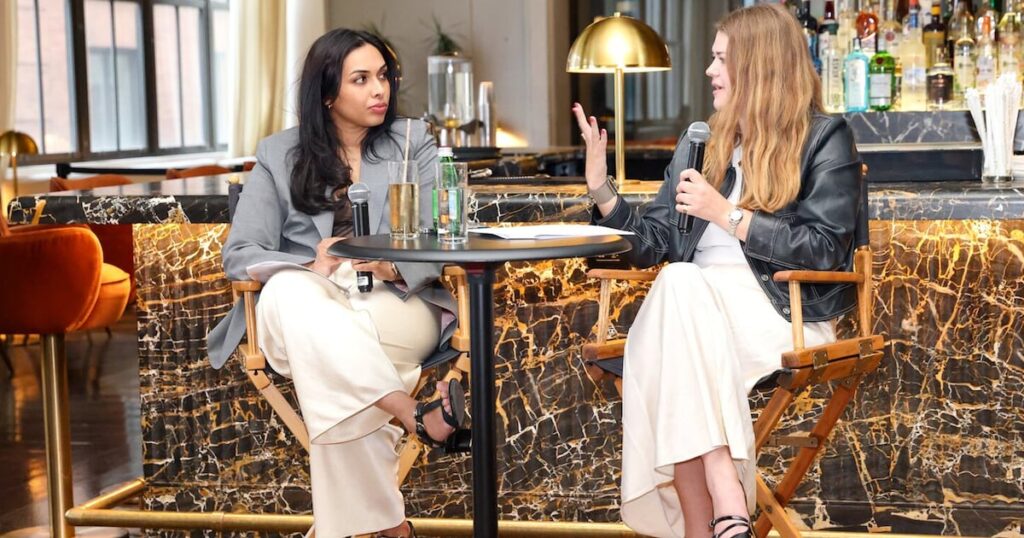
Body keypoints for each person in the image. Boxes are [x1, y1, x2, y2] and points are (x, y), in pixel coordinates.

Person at [572, 5, 863, 538]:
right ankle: (727, 501)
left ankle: (702, 522)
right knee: (680, 290)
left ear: (759, 65)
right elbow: (654, 242)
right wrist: (601, 189)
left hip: (781, 313)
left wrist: (726, 214)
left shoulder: (824, 138)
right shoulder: (702, 142)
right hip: (695, 317)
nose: (709, 70)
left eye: (721, 59)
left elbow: (824, 248)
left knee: (673, 320)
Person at [206, 29, 461, 538]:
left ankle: (389, 530)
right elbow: (240, 254)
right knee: (289, 290)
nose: (379, 90)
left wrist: (392, 266)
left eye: (383, 76)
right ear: (327, 93)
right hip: (305, 306)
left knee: (330, 370)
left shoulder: (413, 141)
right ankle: (409, 410)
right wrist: (312, 265)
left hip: (394, 299)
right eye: (360, 79)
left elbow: (440, 235)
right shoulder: (280, 153)